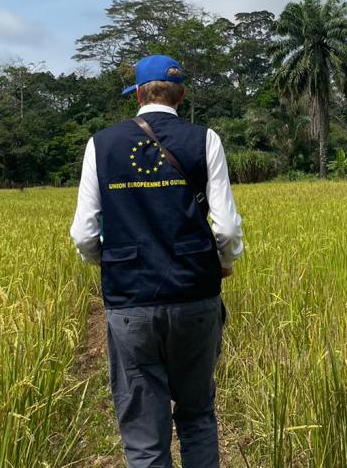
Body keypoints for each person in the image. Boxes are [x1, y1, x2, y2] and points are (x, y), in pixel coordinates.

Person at [69, 54, 244, 468]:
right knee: (197, 417)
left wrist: (108, 263)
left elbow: (84, 234)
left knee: (145, 438)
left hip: (130, 299)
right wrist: (225, 261)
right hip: (194, 295)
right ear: (181, 95)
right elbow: (226, 229)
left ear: (138, 95)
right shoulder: (204, 139)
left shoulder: (101, 144)